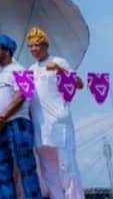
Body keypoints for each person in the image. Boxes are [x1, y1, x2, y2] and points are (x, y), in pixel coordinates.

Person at [27, 27, 84, 199]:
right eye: (31, 46)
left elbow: (79, 84)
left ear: (46, 45)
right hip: (39, 125)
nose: (34, 49)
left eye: (37, 45)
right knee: (48, 171)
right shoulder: (30, 70)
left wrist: (61, 70)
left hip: (59, 122)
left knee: (66, 167)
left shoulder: (59, 62)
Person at [0, 33, 42, 199]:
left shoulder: (22, 70)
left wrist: (2, 116)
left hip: (17, 123)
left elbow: (22, 95)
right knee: (0, 172)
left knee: (26, 169)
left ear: (7, 52)